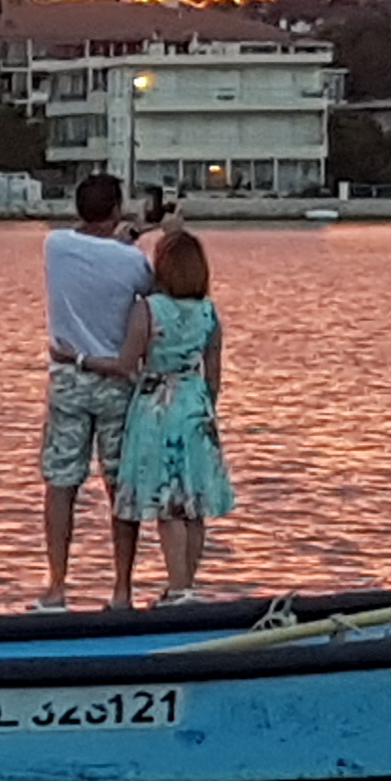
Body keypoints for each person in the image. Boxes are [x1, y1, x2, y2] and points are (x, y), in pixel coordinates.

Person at [39, 172, 155, 610]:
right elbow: (152, 292)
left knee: (61, 483)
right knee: (119, 486)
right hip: (116, 380)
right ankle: (122, 588)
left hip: (68, 374)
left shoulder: (55, 246)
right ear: (117, 209)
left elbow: (86, 244)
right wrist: (131, 240)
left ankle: (56, 585)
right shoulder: (131, 261)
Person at [113, 229, 235, 604]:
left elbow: (127, 362)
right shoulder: (208, 312)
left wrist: (80, 359)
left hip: (157, 405)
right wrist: (205, 407)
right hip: (194, 402)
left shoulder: (148, 309)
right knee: (194, 503)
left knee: (169, 503)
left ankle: (178, 588)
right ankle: (187, 584)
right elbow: (213, 373)